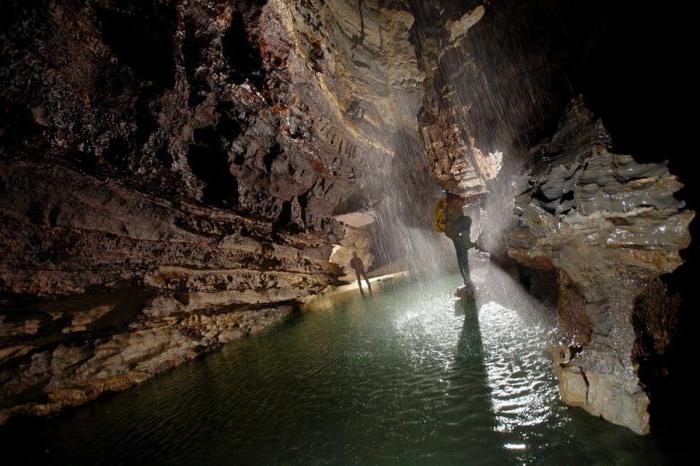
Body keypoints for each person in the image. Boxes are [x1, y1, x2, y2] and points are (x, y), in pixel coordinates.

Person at [442, 194, 477, 287]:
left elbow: (467, 202)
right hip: (454, 231)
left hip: (455, 232)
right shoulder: (452, 203)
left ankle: (467, 281)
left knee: (463, 256)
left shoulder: (450, 203)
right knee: (467, 220)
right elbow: (465, 201)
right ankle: (467, 242)